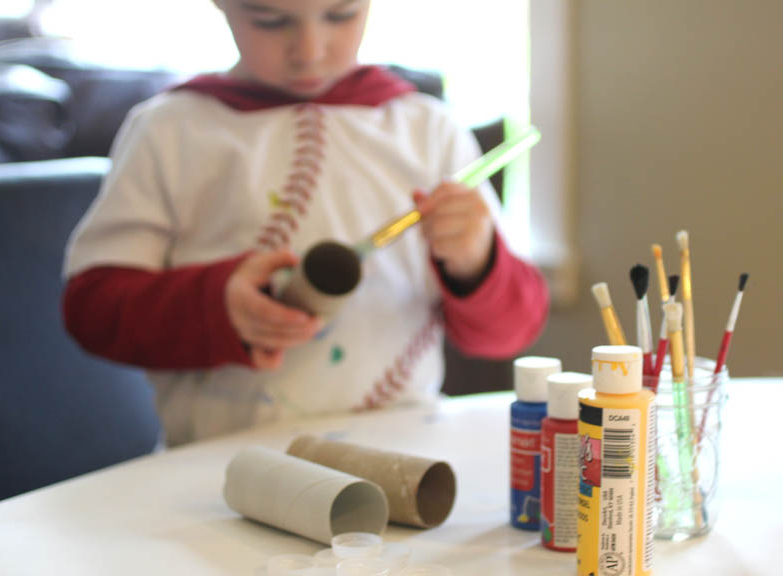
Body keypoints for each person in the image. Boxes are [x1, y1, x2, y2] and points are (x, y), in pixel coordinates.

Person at [63, 0, 549, 446]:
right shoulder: (169, 130)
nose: (310, 51)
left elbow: (512, 330)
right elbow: (92, 311)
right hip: (221, 469)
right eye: (270, 20)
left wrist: (477, 262)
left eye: (340, 14)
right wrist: (216, 307)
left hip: (405, 455)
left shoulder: (429, 131)